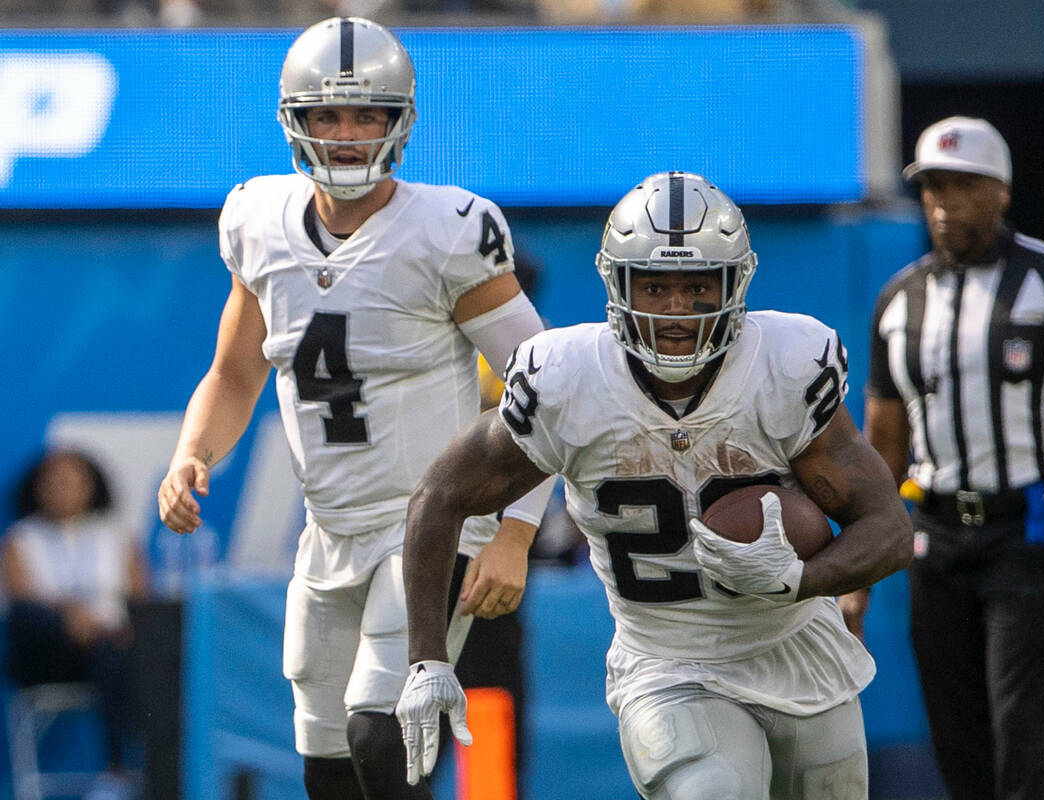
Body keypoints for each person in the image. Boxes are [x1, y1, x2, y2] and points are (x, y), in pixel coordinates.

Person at [396, 171, 913, 799]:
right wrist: (426, 658)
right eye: (655, 285)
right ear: (618, 284)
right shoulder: (567, 379)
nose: (674, 309)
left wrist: (801, 580)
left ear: (735, 284)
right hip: (667, 663)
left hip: (798, 648)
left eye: (698, 286)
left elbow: (889, 529)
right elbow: (439, 497)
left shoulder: (787, 366)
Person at [155, 17, 552, 800]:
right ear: (292, 121)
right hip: (329, 532)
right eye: (326, 114)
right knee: (329, 772)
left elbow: (544, 382)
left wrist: (515, 532)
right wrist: (192, 453)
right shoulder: (258, 222)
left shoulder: (448, 231)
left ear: (400, 120)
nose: (345, 133)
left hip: (433, 525)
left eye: (366, 113)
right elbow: (234, 374)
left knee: (384, 736)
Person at [842, 116, 1044, 800]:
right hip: (932, 534)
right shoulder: (900, 300)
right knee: (955, 737)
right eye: (934, 188)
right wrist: (856, 567)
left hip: (1026, 526)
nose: (946, 203)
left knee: (1024, 733)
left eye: (964, 186)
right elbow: (882, 441)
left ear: (1001, 191)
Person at [1, 449, 149, 789]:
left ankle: (117, 773)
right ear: (36, 488)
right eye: (53, 481)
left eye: (72, 481)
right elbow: (22, 598)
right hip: (51, 655)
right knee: (29, 615)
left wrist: (102, 629)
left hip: (111, 651)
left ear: (92, 486)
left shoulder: (117, 536)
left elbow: (141, 602)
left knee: (118, 650)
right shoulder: (20, 540)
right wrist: (70, 618)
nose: (62, 488)